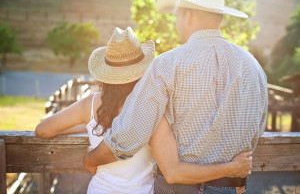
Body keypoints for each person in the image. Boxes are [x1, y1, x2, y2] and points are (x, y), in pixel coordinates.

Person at [84, 0, 268, 194]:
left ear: (187, 15)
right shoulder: (253, 67)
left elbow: (128, 135)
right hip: (231, 188)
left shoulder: (166, 65)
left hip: (180, 189)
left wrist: (91, 158)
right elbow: (257, 129)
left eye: (177, 16)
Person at [36, 27, 253, 194]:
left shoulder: (90, 105)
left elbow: (43, 130)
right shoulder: (152, 112)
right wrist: (231, 167)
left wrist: (90, 127)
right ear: (142, 71)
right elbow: (175, 172)